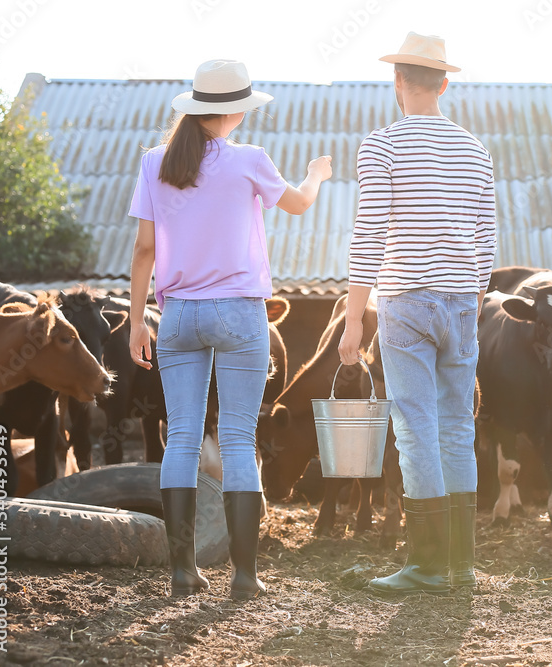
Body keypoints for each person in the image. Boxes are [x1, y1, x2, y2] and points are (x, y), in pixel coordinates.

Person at [128, 59, 332, 599]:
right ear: (236, 110)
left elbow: (144, 249)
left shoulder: (155, 162)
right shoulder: (250, 160)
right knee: (239, 439)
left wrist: (134, 321)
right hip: (240, 312)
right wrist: (317, 173)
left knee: (183, 440)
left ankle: (182, 572)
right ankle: (244, 576)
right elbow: (299, 204)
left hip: (177, 316)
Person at [338, 33, 497, 595]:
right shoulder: (476, 150)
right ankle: (461, 565)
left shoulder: (380, 146)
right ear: (445, 83)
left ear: (398, 81)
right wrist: (470, 300)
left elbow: (369, 234)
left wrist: (356, 318)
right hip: (461, 302)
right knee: (457, 426)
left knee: (413, 425)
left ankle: (427, 565)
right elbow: (487, 241)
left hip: (405, 300)